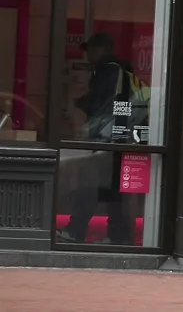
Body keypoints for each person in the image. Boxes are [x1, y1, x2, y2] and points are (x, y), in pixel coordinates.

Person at [59, 33, 134, 245]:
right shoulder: (121, 69)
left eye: (90, 49)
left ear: (101, 49)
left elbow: (102, 105)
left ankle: (76, 229)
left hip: (105, 137)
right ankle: (118, 235)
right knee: (112, 189)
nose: (87, 54)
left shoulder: (107, 70)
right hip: (117, 136)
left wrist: (84, 111)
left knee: (90, 185)